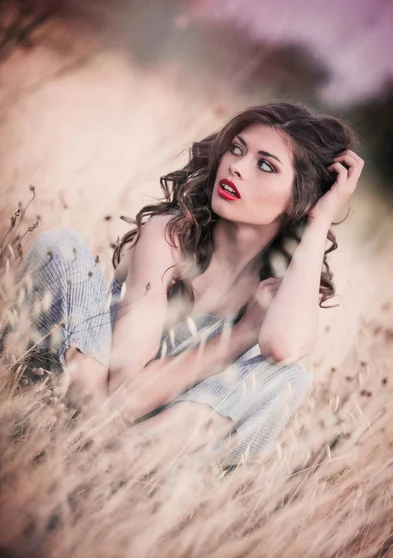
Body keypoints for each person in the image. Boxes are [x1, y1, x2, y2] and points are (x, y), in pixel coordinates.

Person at [17, 101, 364, 469]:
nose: (236, 166)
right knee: (62, 247)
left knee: (288, 377)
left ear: (302, 197)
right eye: (237, 149)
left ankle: (120, 461)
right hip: (86, 392)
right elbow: (122, 395)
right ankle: (101, 452)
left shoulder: (281, 286)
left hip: (163, 440)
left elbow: (283, 347)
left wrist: (321, 219)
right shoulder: (169, 236)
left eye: (265, 165)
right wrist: (243, 333)